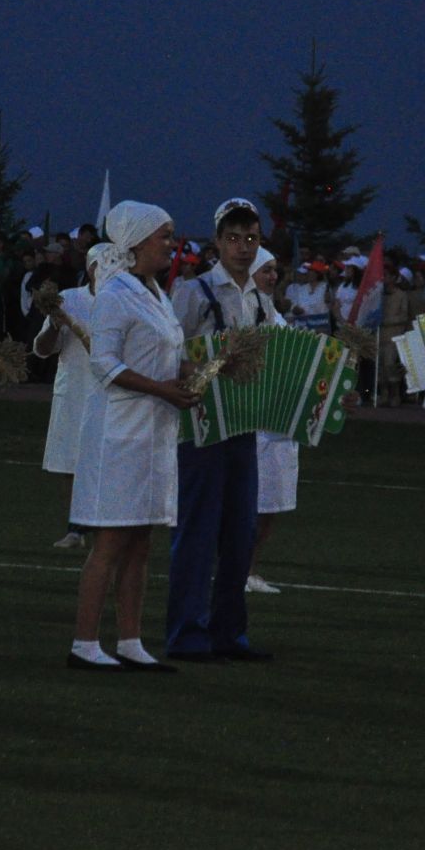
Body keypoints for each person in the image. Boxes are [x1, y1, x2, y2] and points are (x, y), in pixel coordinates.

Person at [68, 201, 197, 671]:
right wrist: (160, 387)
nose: (171, 243)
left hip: (155, 431)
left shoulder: (156, 293)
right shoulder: (116, 292)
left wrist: (190, 374)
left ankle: (130, 640)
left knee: (141, 541)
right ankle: (84, 643)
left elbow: (168, 351)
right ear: (138, 242)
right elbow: (104, 363)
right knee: (111, 541)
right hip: (120, 432)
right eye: (164, 235)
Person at [163, 196, 274, 663]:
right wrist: (203, 368)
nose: (243, 248)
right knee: (197, 531)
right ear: (217, 242)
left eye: (250, 239)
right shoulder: (193, 292)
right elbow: (168, 351)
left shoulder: (262, 300)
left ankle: (230, 632)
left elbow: (284, 356)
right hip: (202, 426)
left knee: (239, 533)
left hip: (243, 427)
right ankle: (187, 632)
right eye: (234, 239)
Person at [34, 248, 101, 550]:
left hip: (111, 392)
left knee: (106, 462)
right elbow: (44, 349)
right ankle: (76, 528)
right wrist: (56, 324)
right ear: (90, 269)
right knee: (69, 461)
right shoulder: (69, 299)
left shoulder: (127, 301)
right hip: (74, 388)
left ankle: (106, 527)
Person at [245, 247, 296, 595]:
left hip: (279, 421)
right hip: (252, 421)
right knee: (251, 504)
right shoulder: (244, 312)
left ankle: (248, 568)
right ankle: (237, 569)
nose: (272, 276)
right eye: (265, 270)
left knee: (271, 505)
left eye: (274, 270)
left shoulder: (274, 314)